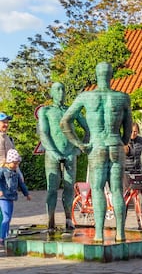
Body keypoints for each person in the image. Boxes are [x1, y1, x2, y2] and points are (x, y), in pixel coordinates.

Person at [60, 62, 133, 242]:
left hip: (97, 145)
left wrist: (79, 143)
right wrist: (120, 142)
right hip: (115, 143)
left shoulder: (86, 97)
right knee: (117, 190)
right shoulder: (122, 97)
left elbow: (64, 122)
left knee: (98, 189)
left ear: (96, 75)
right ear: (111, 75)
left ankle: (99, 233)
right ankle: (120, 233)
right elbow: (129, 128)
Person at [37, 82, 89, 231]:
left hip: (70, 153)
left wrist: (80, 148)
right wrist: (54, 152)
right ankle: (50, 221)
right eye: (57, 90)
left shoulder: (71, 111)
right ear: (51, 93)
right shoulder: (45, 111)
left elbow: (87, 128)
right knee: (51, 188)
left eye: (63, 89)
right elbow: (44, 134)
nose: (61, 92)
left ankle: (68, 219)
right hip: (52, 153)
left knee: (69, 187)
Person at [0, 149, 31, 247]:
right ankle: (1, 238)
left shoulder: (16, 173)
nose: (16, 165)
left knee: (8, 218)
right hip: (3, 197)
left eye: (17, 163)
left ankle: (6, 236)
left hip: (11, 197)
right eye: (14, 163)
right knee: (6, 217)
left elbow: (21, 185)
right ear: (9, 162)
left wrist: (27, 194)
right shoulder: (2, 171)